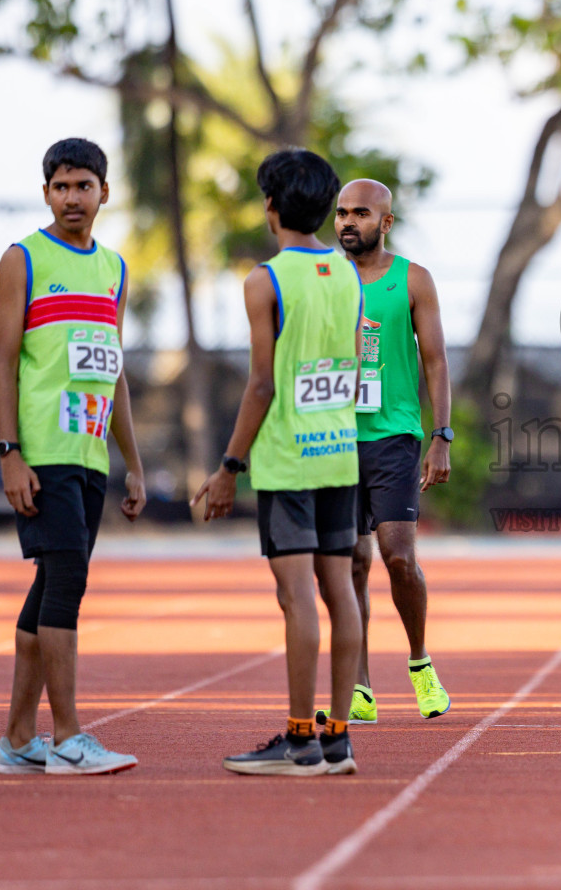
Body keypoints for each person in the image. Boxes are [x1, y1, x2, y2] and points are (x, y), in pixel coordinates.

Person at [192, 149, 363, 776]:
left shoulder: (263, 282)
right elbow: (348, 367)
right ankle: (337, 738)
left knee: (297, 600)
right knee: (339, 592)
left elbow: (261, 384)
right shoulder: (349, 274)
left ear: (270, 206)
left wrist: (227, 468)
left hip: (289, 462)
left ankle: (298, 741)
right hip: (339, 455)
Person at [0, 137, 147, 776]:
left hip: (90, 457)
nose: (72, 197)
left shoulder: (114, 268)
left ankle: (17, 741)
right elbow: (3, 361)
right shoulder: (22, 259)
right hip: (42, 454)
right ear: (46, 192)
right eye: (60, 186)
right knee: (69, 583)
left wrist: (132, 461)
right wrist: (9, 452)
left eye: (84, 185)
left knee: (51, 584)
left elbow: (114, 371)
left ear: (104, 192)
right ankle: (69, 738)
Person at [321, 178, 453, 726]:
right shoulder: (320, 277)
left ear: (386, 222)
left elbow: (437, 362)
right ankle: (360, 684)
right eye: (342, 213)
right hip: (333, 436)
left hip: (394, 435)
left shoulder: (411, 279)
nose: (349, 222)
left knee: (398, 556)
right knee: (351, 563)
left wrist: (440, 435)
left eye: (361, 213)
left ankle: (420, 663)